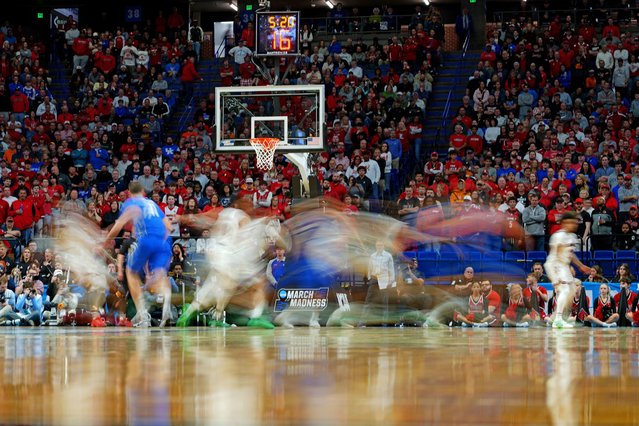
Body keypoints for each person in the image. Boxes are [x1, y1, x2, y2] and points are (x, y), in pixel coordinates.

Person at [104, 181, 173, 327]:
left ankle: (143, 315)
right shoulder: (153, 204)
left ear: (129, 192)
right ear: (143, 191)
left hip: (146, 238)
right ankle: (166, 307)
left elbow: (119, 224)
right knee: (159, 274)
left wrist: (106, 241)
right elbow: (169, 227)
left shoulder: (131, 202)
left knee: (130, 272)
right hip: (163, 241)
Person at [544, 211, 596, 328]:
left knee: (571, 289)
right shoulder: (558, 236)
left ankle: (557, 317)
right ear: (564, 223)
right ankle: (557, 319)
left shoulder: (572, 237)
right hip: (555, 264)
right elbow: (555, 256)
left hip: (563, 265)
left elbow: (570, 255)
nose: (574, 225)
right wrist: (556, 277)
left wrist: (580, 266)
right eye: (571, 222)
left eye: (575, 222)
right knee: (565, 290)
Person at [365, 240, 395, 325]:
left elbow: (391, 269)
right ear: (375, 246)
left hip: (384, 279)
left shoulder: (388, 256)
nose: (379, 247)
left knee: (384, 301)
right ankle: (363, 321)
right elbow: (369, 268)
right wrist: (369, 278)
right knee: (368, 300)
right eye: (377, 245)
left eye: (381, 245)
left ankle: (384, 322)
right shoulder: (372, 256)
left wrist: (391, 280)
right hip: (374, 279)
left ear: (383, 246)